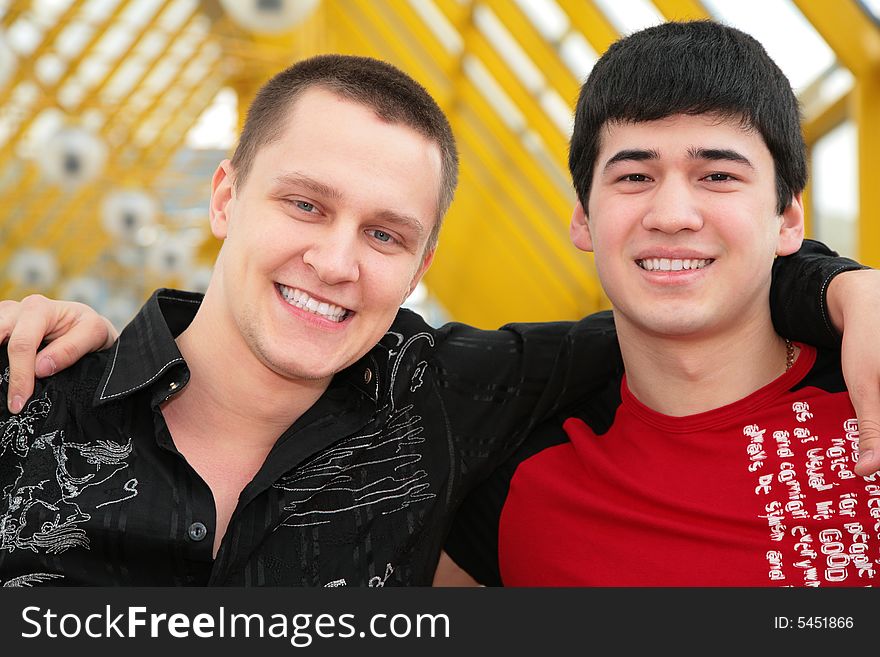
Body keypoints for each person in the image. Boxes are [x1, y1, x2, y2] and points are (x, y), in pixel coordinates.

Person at [0, 51, 877, 587]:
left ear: (421, 267)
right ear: (224, 195)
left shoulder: (439, 399)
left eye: (385, 233)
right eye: (305, 205)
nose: (337, 262)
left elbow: (684, 312)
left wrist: (845, 290)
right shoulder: (27, 395)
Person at [442, 20, 880, 587]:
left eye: (718, 175)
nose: (672, 214)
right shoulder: (516, 480)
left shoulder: (864, 397)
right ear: (583, 217)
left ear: (788, 219)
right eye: (634, 176)